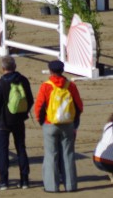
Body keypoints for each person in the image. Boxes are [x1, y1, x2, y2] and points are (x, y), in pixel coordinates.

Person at [34, 60, 83, 193]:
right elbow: (79, 106)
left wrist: (41, 121)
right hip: (67, 124)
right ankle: (71, 185)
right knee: (68, 155)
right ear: (62, 70)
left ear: (50, 71)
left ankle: (51, 187)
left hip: (50, 124)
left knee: (51, 155)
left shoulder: (46, 86)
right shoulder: (70, 85)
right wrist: (74, 123)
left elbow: (39, 106)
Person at [0, 55, 34, 190]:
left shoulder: (0, 83)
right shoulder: (23, 80)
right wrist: (23, 113)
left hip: (3, 121)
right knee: (21, 148)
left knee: (3, 150)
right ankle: (24, 180)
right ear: (15, 67)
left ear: (3, 68)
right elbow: (30, 100)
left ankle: (4, 182)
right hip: (19, 120)